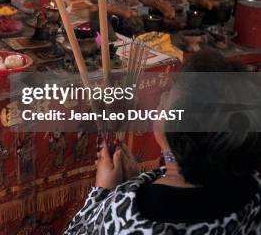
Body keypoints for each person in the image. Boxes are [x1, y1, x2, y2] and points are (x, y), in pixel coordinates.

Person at [65, 50, 261, 234]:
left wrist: (103, 191)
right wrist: (138, 179)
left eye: (169, 98)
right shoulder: (253, 186)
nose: (163, 96)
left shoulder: (132, 212)